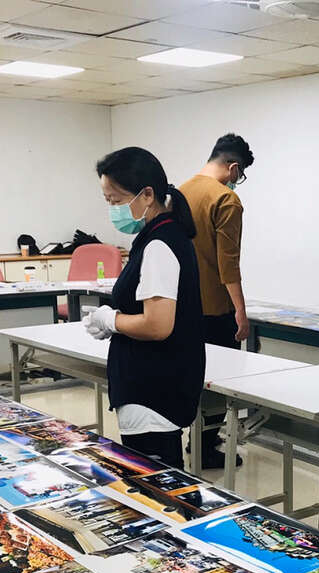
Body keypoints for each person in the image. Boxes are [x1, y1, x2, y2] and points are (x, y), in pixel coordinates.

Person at [84, 147, 205, 470]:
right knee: (156, 481)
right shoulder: (159, 236)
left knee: (156, 484)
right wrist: (114, 321)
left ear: (147, 195)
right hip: (151, 386)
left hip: (152, 392)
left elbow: (157, 325)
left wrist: (111, 319)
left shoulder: (160, 244)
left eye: (116, 201)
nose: (113, 210)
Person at [179, 133, 254, 469]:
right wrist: (241, 311)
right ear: (233, 167)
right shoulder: (226, 199)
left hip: (180, 305)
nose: (238, 180)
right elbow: (228, 264)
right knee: (217, 380)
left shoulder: (180, 193)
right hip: (214, 309)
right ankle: (206, 447)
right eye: (240, 174)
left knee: (188, 374)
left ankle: (192, 438)